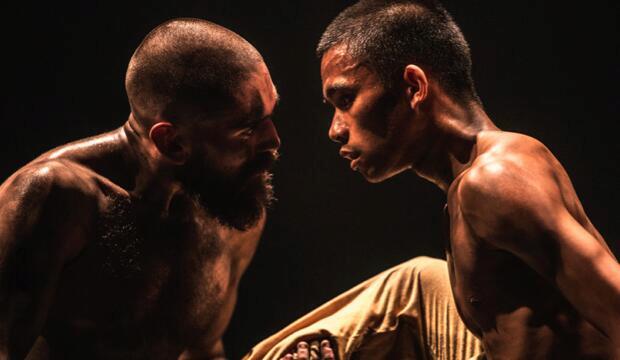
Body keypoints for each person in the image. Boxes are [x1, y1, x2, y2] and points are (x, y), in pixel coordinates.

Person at [250, 0, 620, 359]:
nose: (335, 130)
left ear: (414, 86)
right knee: (412, 283)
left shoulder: (494, 181)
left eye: (346, 98)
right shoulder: (467, 187)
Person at [0, 17, 325, 359]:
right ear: (171, 142)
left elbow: (203, 351)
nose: (274, 141)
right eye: (247, 128)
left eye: (271, 113)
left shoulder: (232, 206)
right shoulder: (56, 199)